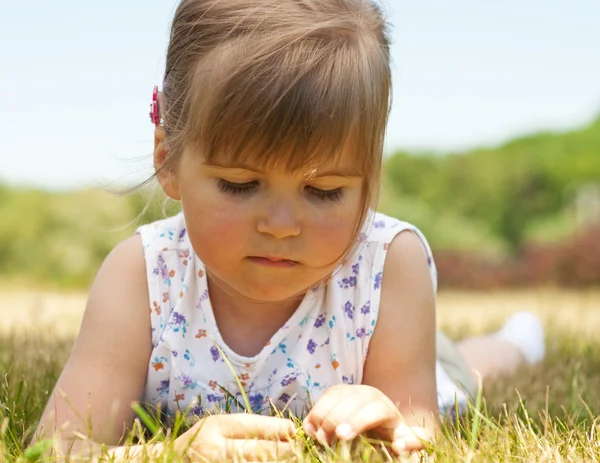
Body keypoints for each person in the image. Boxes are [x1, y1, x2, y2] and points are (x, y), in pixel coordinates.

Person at [34, 0, 545, 460]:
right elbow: (59, 448)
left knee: (461, 375)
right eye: (240, 184)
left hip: (396, 350)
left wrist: (389, 418)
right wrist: (169, 453)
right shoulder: (142, 275)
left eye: (323, 192)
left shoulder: (389, 265)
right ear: (168, 160)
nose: (280, 226)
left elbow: (419, 432)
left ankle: (518, 340)